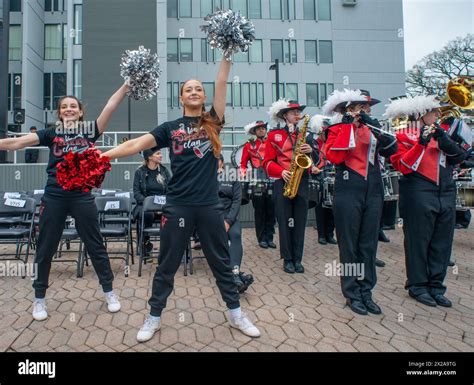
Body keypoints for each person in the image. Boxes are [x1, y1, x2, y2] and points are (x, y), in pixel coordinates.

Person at [102, 57, 260, 342]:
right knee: (166, 265)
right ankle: (153, 317)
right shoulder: (169, 128)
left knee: (221, 263)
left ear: (204, 96)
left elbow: (222, 83)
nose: (195, 92)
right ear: (181, 97)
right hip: (177, 205)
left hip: (210, 206)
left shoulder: (213, 121)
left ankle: (236, 314)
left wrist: (227, 53)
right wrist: (102, 155)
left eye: (199, 88)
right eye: (189, 89)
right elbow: (136, 144)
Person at [0, 83, 130, 321]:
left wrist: (125, 85)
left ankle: (109, 291)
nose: (69, 109)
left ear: (80, 112)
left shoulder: (90, 130)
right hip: (54, 196)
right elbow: (17, 142)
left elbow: (111, 106)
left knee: (95, 244)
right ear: (59, 113)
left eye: (73, 106)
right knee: (46, 247)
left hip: (82, 195)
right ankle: (39, 298)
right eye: (64, 107)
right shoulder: (51, 133)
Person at [388, 95, 470, 307]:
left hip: (445, 192)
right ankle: (417, 286)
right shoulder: (403, 135)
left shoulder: (441, 133)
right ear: (420, 114)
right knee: (418, 242)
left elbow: (461, 157)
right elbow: (403, 166)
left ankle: (436, 286)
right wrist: (421, 144)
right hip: (418, 192)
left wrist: (445, 140)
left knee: (442, 243)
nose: (438, 114)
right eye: (433, 111)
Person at [323, 89, 398, 315]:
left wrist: (372, 123)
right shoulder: (335, 129)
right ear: (347, 110)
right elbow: (335, 156)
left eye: (366, 107)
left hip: (373, 191)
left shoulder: (373, 129)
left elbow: (392, 149)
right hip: (348, 191)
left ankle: (366, 291)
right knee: (350, 246)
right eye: (358, 107)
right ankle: (352, 293)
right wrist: (347, 126)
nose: (364, 111)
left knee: (368, 245)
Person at [263, 99, 317, 274]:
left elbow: (316, 161)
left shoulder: (307, 136)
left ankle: (297, 259)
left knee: (300, 222)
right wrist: (280, 172)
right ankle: (287, 259)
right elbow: (267, 162)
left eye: (298, 112)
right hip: (283, 181)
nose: (297, 114)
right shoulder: (274, 135)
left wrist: (312, 152)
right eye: (293, 112)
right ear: (285, 115)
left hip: (302, 181)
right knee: (285, 222)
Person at [218, 155, 254, 293]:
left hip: (230, 216)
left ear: (222, 162)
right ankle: (237, 276)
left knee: (236, 235)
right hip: (213, 218)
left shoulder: (232, 178)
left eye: (217, 160)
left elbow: (236, 201)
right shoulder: (206, 178)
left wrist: (228, 221)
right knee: (221, 239)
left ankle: (235, 273)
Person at [240, 121, 276, 249]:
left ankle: (270, 237)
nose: (261, 130)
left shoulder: (272, 143)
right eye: (258, 129)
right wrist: (243, 173)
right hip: (256, 178)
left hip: (272, 176)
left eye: (263, 128)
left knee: (271, 209)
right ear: (254, 132)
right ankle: (262, 238)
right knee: (259, 210)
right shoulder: (249, 145)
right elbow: (243, 164)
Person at [133, 148, 170, 256]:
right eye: (158, 153)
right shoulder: (139, 172)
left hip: (163, 206)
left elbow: (171, 191)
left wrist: (161, 206)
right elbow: (137, 193)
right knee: (146, 214)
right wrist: (150, 205)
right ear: (149, 157)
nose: (161, 156)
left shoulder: (164, 171)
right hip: (146, 207)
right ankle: (145, 243)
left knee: (174, 213)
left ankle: (170, 245)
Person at [309, 115, 336, 246]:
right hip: (318, 177)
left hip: (331, 175)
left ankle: (330, 234)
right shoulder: (314, 143)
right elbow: (309, 159)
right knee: (320, 207)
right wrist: (313, 167)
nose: (328, 134)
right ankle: (321, 235)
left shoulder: (332, 142)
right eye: (326, 132)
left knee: (332, 206)